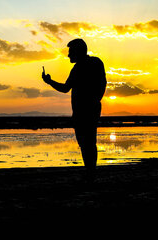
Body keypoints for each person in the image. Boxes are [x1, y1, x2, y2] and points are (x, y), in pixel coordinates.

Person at [42, 39, 107, 179]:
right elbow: (102, 84)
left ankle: (90, 172)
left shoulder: (81, 67)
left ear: (78, 51)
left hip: (84, 110)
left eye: (70, 52)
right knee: (88, 142)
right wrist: (96, 100)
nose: (68, 55)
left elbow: (65, 88)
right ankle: (91, 171)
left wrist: (49, 82)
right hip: (88, 109)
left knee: (86, 142)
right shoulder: (94, 63)